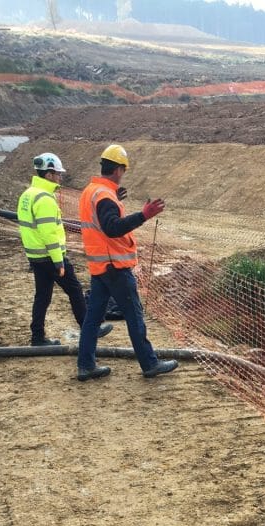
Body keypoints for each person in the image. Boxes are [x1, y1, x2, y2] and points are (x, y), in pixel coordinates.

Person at [76, 143, 178, 381]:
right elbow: (112, 228)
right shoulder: (104, 196)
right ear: (119, 170)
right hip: (115, 267)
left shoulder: (92, 190)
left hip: (100, 265)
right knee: (134, 315)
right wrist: (143, 215)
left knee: (92, 318)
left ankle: (86, 365)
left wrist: (115, 198)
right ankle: (149, 363)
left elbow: (100, 219)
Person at [17, 152, 112, 349]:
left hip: (35, 256)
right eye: (58, 173)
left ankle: (37, 337)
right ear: (49, 174)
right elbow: (49, 233)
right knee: (75, 290)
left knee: (42, 296)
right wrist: (58, 261)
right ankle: (90, 329)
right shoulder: (44, 199)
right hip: (50, 256)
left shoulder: (28, 195)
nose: (61, 177)